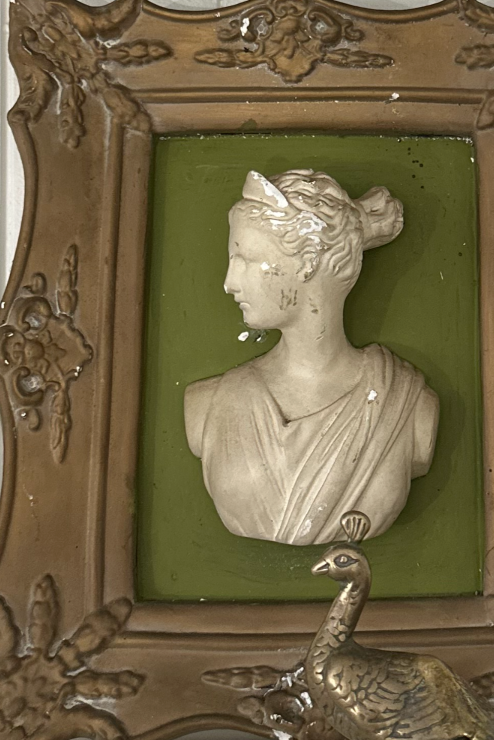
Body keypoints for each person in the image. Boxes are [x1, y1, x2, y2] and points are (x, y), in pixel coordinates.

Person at [184, 168, 439, 545]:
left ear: (307, 263)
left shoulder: (408, 405)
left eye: (245, 259)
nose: (229, 282)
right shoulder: (206, 405)